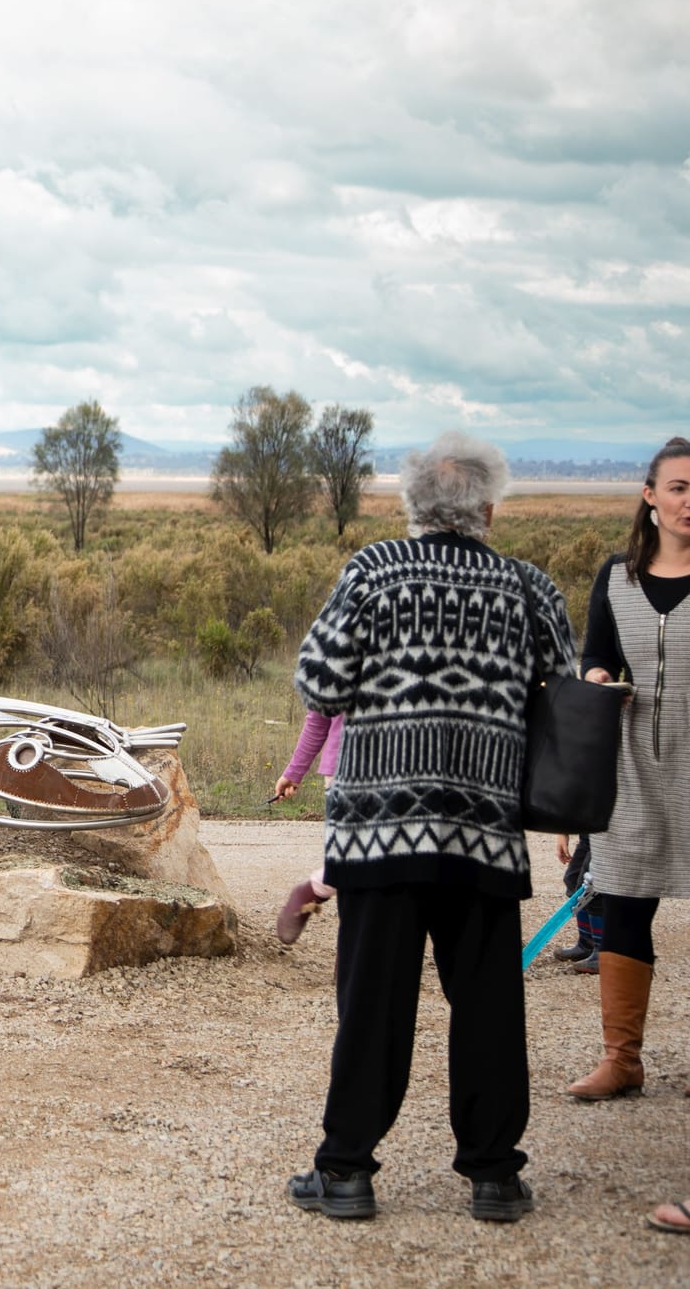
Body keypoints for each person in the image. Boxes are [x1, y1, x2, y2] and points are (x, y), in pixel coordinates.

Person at [284, 430, 575, 1224]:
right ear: (488, 510)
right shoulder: (528, 587)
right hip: (485, 827)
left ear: (412, 506)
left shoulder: (373, 571)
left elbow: (319, 682)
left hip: (379, 830)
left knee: (373, 1004)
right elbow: (566, 692)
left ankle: (346, 1169)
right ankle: (495, 1175)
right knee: (488, 1006)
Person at [565, 436, 690, 1102]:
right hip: (632, 766)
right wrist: (597, 680)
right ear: (650, 496)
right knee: (625, 905)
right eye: (678, 488)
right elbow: (596, 657)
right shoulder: (617, 577)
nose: (689, 501)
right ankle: (622, 1060)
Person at [272, 710, 342, 944]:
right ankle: (317, 888)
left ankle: (319, 887)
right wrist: (294, 771)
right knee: (355, 864)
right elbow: (319, 717)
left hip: (421, 770)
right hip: (347, 770)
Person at [550, 832, 602, 973]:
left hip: (607, 837)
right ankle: (586, 944)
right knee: (573, 880)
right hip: (588, 835)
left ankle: (603, 952)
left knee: (592, 889)